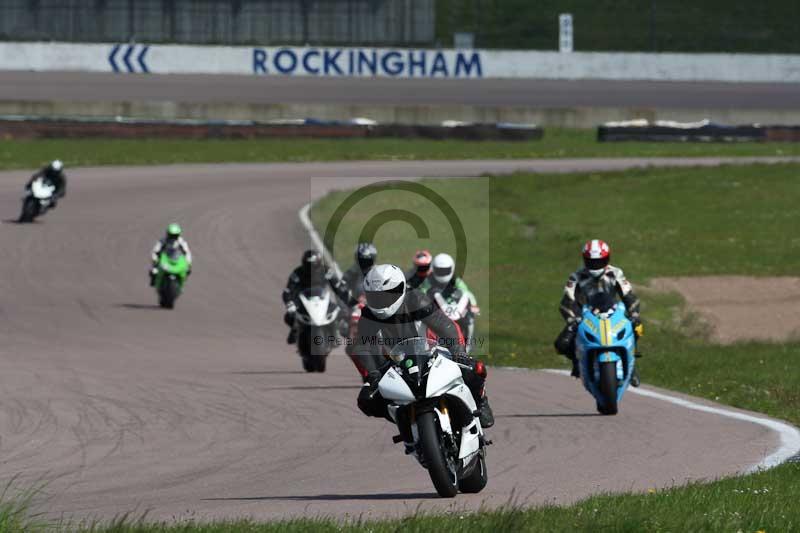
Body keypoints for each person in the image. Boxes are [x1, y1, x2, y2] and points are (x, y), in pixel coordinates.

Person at [353, 263, 494, 429]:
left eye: (385, 296)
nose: (379, 302)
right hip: (396, 364)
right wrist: (374, 374)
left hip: (432, 352)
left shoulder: (415, 299)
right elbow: (363, 347)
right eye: (374, 297)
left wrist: (458, 352)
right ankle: (404, 422)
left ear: (399, 290)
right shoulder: (368, 315)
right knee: (366, 400)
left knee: (474, 369)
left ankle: (481, 401)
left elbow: (446, 326)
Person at [554, 239, 643, 385]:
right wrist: (572, 319)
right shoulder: (576, 277)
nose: (596, 265)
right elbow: (567, 301)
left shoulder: (616, 273)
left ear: (607, 259)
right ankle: (577, 362)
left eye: (600, 261)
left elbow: (629, 296)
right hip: (586, 315)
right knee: (561, 344)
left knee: (637, 327)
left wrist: (634, 314)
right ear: (585, 260)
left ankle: (631, 364)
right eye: (592, 261)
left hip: (614, 312)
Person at [282, 249, 351, 345]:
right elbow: (288, 291)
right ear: (304, 264)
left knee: (341, 312)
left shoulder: (326, 271)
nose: (311, 270)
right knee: (289, 316)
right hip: (303, 301)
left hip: (322, 299)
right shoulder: (297, 273)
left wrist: (344, 297)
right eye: (308, 266)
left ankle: (336, 334)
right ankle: (295, 330)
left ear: (318, 264)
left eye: (313, 266)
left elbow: (337, 286)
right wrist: (290, 303)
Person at [423, 253, 480, 346]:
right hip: (435, 306)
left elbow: (466, 292)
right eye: (440, 271)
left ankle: (467, 344)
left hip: (452, 306)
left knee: (469, 319)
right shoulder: (428, 280)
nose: (442, 274)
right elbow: (422, 292)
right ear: (434, 269)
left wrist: (473, 304)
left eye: (445, 271)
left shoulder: (455, 280)